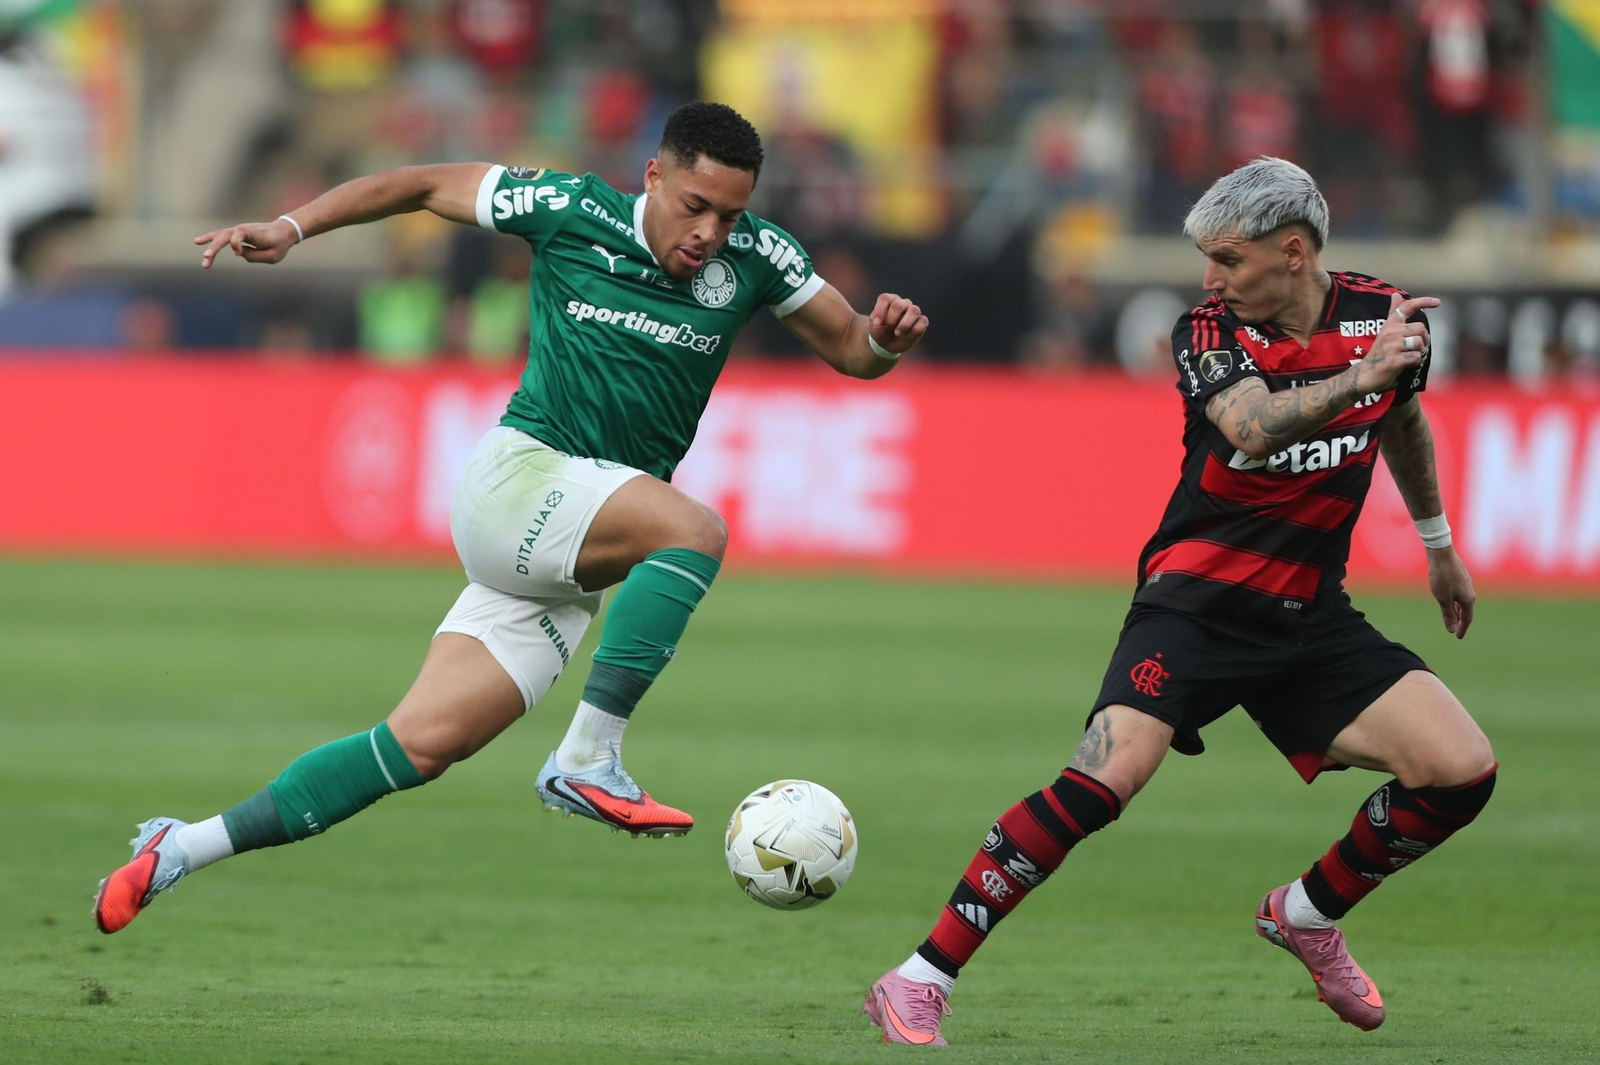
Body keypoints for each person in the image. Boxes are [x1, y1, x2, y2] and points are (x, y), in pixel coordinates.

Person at [94, 101, 930, 934]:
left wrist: (885, 340)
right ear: (654, 176)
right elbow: (421, 184)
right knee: (696, 530)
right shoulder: (571, 209)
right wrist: (291, 226)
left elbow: (851, 347)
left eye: (730, 214)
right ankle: (589, 756)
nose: (711, 231)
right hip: (522, 481)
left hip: (575, 548)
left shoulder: (760, 255)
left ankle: (181, 846)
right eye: (696, 205)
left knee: (416, 746)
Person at [862, 157, 1493, 1045]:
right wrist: (1362, 377)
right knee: (1101, 782)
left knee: (1462, 769)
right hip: (1194, 603)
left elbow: (1403, 419)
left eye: (1228, 259)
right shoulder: (1207, 331)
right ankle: (917, 977)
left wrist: (1438, 544)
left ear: (1293, 251)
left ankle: (1306, 912)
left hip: (1309, 613)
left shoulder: (1378, 317)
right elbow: (1250, 428)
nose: (1210, 279)